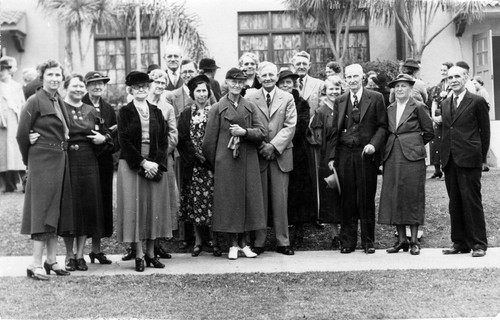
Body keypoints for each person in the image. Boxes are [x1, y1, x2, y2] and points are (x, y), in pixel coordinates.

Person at [202, 68, 266, 260]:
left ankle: (245, 244)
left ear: (245, 84)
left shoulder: (250, 106)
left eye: (240, 82)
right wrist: (219, 162)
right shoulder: (217, 108)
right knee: (230, 202)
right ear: (227, 83)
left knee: (247, 201)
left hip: (248, 160)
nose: (237, 85)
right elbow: (208, 143)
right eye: (233, 82)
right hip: (226, 163)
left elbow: (262, 132)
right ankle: (232, 245)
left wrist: (245, 132)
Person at [17, 59, 72, 280]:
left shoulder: (58, 99)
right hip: (41, 161)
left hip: (59, 159)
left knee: (55, 210)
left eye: (58, 75)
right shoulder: (34, 101)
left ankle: (51, 260)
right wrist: (29, 159)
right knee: (41, 211)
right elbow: (22, 134)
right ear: (42, 77)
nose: (54, 79)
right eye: (50, 75)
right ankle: (35, 264)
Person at [327, 63, 388, 254]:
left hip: (365, 154)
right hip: (345, 154)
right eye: (349, 77)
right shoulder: (340, 100)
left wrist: (373, 144)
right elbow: (335, 130)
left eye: (355, 76)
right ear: (345, 79)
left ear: (362, 77)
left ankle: (368, 242)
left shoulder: (375, 98)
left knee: (366, 197)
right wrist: (331, 156)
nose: (352, 80)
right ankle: (348, 242)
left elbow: (382, 126)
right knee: (347, 198)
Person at [116, 71, 173, 271]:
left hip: (155, 164)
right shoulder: (125, 112)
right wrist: (142, 163)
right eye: (137, 87)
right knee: (136, 208)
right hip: (132, 165)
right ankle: (138, 255)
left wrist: (155, 163)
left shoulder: (156, 111)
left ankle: (151, 254)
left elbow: (164, 140)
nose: (141, 89)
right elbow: (123, 141)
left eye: (144, 86)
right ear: (130, 90)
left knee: (153, 209)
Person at [378, 74, 434, 255]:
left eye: (403, 86)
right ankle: (401, 239)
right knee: (395, 195)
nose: (400, 89)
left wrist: (413, 144)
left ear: (411, 89)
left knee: (413, 195)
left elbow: (428, 132)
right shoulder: (389, 108)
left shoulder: (418, 106)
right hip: (392, 156)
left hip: (412, 158)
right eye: (397, 86)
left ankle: (414, 241)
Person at [59, 74, 109, 271]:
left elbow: (106, 133)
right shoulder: (60, 108)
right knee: (70, 208)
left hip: (89, 162)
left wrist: (103, 139)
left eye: (81, 86)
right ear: (66, 88)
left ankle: (80, 255)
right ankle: (69, 254)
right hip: (68, 160)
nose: (79, 89)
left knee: (87, 207)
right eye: (75, 86)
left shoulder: (90, 110)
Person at [246, 62, 297, 256]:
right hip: (258, 154)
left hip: (280, 155)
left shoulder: (287, 97)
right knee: (259, 200)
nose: (267, 78)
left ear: (277, 77)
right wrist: (261, 146)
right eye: (264, 75)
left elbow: (290, 126)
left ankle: (283, 241)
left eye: (271, 75)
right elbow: (247, 123)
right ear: (258, 78)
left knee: (280, 199)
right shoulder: (250, 96)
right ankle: (258, 242)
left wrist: (273, 146)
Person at [441, 66, 490, 258]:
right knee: (455, 203)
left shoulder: (477, 101)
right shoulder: (445, 103)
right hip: (450, 159)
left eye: (457, 77)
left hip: (470, 159)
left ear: (465, 78)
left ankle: (478, 244)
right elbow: (447, 130)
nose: (453, 80)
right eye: (450, 77)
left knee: (471, 201)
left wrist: (482, 158)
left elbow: (485, 132)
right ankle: (459, 242)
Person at [177, 75, 217, 257]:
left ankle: (214, 241)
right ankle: (198, 241)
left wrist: (209, 158)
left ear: (209, 92)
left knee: (213, 203)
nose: (202, 94)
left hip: (212, 166)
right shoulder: (186, 113)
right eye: (198, 91)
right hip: (193, 166)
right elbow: (182, 138)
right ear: (192, 93)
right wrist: (196, 156)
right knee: (194, 204)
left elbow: (219, 137)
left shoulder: (215, 111)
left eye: (204, 91)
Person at [81, 71, 117, 265]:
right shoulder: (80, 105)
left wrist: (106, 139)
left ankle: (96, 249)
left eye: (100, 83)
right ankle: (78, 252)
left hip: (103, 161)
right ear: (86, 86)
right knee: (85, 202)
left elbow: (114, 134)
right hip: (84, 160)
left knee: (101, 202)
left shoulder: (108, 108)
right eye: (93, 83)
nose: (97, 87)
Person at [276, 69, 314, 248]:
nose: (285, 86)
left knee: (299, 190)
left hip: (297, 151)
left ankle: (299, 229)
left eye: (288, 82)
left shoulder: (301, 103)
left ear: (294, 84)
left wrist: (284, 136)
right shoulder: (276, 101)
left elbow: (300, 127)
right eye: (282, 83)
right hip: (280, 150)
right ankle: (283, 227)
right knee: (283, 190)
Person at [147, 69, 179, 258]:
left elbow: (173, 135)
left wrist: (159, 155)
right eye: (156, 82)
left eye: (162, 82)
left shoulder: (168, 107)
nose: (159, 86)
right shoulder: (140, 103)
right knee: (144, 200)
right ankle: (136, 247)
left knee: (161, 202)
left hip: (163, 160)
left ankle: (157, 244)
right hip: (144, 160)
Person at [309, 76, 343, 249]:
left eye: (337, 88)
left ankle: (347, 231)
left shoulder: (347, 107)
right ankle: (335, 234)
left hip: (345, 156)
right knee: (331, 196)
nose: (334, 92)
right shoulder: (321, 112)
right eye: (331, 89)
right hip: (328, 159)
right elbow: (318, 138)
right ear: (325, 91)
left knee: (346, 194)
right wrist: (329, 157)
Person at [0, 56, 26, 193]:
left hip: (15, 121)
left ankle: (25, 182)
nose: (0, 73)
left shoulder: (17, 86)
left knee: (17, 152)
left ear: (9, 71)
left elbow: (22, 104)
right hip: (2, 125)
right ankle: (7, 184)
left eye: (3, 70)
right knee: (4, 153)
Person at [429, 62, 453, 180]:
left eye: (445, 70)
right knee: (435, 142)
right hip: (438, 117)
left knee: (445, 142)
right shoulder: (439, 86)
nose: (443, 72)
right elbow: (434, 101)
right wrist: (433, 116)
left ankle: (445, 171)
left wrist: (444, 117)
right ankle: (437, 170)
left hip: (449, 117)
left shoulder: (453, 85)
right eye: (441, 70)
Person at [292, 51, 324, 116]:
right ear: (293, 66)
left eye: (304, 64)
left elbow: (323, 109)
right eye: (298, 64)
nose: (301, 67)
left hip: (313, 124)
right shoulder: (288, 85)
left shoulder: (319, 84)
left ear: (309, 66)